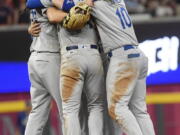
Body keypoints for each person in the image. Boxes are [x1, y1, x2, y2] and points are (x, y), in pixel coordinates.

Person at [82, 0, 156, 134]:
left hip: (122, 56)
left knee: (117, 108)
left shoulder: (97, 4)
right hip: (138, 54)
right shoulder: (120, 1)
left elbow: (75, 8)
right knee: (140, 111)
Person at [24, 8, 63, 135]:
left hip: (35, 57)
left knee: (37, 111)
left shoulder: (35, 3)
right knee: (68, 109)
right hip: (50, 56)